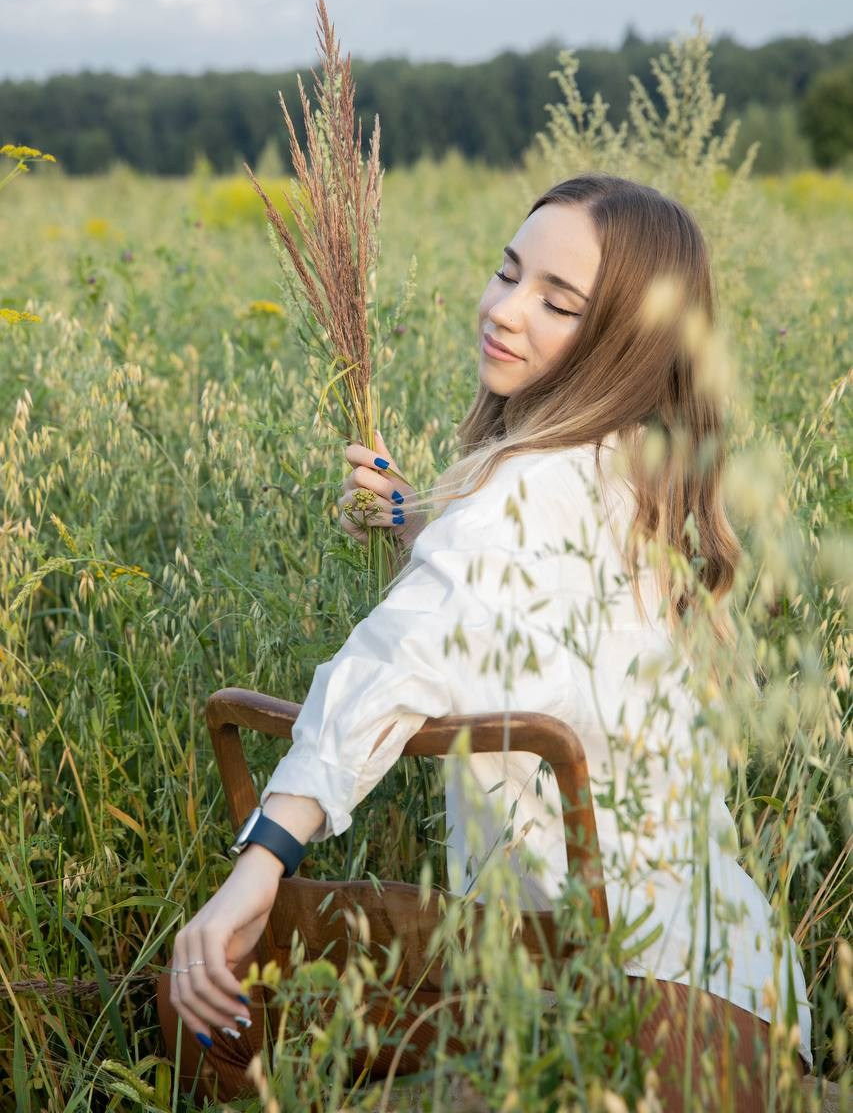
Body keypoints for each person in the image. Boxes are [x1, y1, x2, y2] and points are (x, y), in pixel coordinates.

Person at [157, 173, 813, 1107]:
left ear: (622, 340)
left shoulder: (520, 489)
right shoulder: (639, 471)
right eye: (508, 272)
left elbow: (392, 666)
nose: (505, 310)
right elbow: (512, 603)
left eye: (558, 301)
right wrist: (416, 527)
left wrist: (257, 867)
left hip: (615, 1000)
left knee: (207, 1024)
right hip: (733, 983)